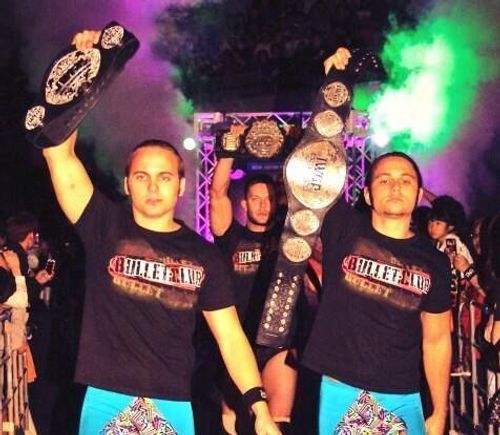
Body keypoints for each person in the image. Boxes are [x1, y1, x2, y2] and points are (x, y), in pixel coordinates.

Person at [39, 29, 280, 435]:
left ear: (182, 186)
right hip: (104, 398)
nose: (153, 186)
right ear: (127, 183)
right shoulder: (103, 222)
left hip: (173, 404)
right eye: (143, 177)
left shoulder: (202, 254)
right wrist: (82, 68)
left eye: (165, 177)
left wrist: (258, 406)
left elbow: (231, 336)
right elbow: (57, 151)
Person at [303, 47, 452, 435]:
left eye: (406, 180)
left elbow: (437, 340)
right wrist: (330, 90)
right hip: (340, 387)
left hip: (403, 394)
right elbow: (316, 160)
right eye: (384, 179)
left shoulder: (433, 261)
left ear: (420, 195)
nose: (395, 186)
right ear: (367, 194)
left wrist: (439, 410)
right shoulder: (343, 228)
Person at [209, 145, 296, 434]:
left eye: (269, 199)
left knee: (276, 424)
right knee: (232, 424)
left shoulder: (288, 240)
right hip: (237, 341)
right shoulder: (231, 237)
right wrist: (228, 150)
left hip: (277, 343)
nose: (263, 205)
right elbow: (217, 193)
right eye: (255, 199)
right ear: (244, 204)